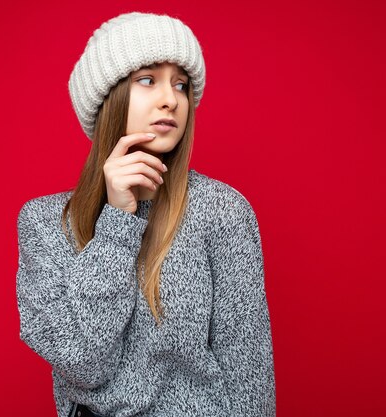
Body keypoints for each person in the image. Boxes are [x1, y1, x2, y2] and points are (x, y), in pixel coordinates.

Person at [16, 11, 276, 417]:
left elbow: (250, 381)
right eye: (147, 79)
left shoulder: (223, 212)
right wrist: (118, 220)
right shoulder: (45, 224)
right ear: (108, 97)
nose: (170, 98)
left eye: (181, 85)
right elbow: (84, 363)